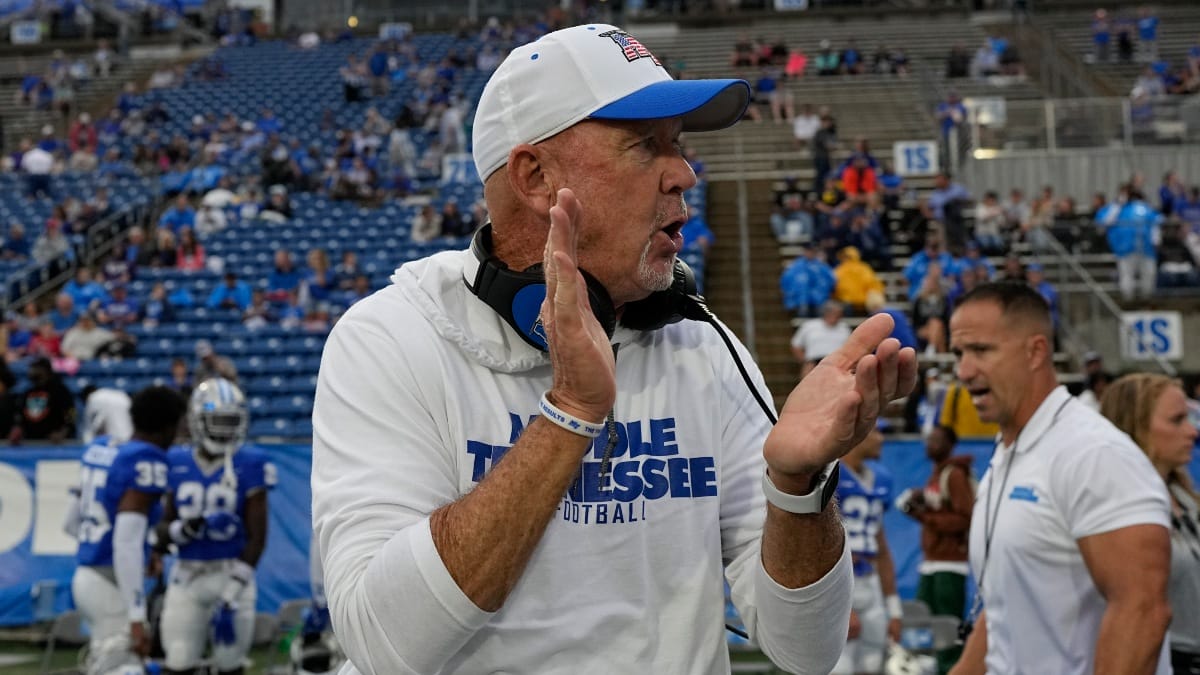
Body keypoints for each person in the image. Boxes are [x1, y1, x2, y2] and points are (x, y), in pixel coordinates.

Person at [311, 24, 917, 675]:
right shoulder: (392, 338)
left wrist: (799, 489)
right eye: (643, 145)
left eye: (678, 144)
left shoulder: (701, 344)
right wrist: (570, 411)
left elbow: (807, 650)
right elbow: (382, 642)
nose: (684, 171)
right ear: (535, 175)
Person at [948, 282, 1172, 675]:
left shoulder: (1094, 455)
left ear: (1036, 351)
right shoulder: (1010, 454)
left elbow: (1142, 611)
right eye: (958, 353)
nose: (964, 371)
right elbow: (1006, 611)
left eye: (981, 350)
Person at [156, 378, 275, 675]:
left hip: (232, 574)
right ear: (198, 420)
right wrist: (184, 530)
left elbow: (257, 537)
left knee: (229, 665)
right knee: (179, 660)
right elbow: (160, 531)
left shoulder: (251, 463)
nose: (225, 429)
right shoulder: (175, 461)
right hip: (187, 574)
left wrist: (233, 589)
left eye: (230, 421)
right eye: (217, 420)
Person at [68, 387, 187, 675]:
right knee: (125, 669)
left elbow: (70, 523)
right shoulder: (145, 458)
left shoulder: (101, 449)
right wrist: (136, 614)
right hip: (109, 585)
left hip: (87, 577)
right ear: (169, 425)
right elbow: (126, 543)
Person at [1099, 374, 1200, 675]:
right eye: (1177, 420)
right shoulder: (1114, 509)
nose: (1192, 432)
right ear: (1136, 426)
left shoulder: (1186, 500)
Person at [896, 425, 974, 674]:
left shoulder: (954, 475)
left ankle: (952, 669)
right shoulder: (936, 474)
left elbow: (966, 518)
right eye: (929, 439)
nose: (930, 444)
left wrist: (925, 517)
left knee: (946, 629)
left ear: (950, 445)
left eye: (937, 440)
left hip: (950, 563)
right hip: (931, 562)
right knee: (923, 625)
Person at [832, 428, 903, 675]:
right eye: (875, 431)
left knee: (873, 664)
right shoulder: (830, 475)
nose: (881, 438)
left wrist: (895, 609)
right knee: (840, 667)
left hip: (870, 580)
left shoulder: (881, 478)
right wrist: (837, 603)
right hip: (840, 582)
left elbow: (881, 549)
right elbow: (813, 548)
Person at [790, 300, 852, 381]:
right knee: (808, 369)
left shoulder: (845, 328)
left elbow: (850, 347)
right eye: (833, 313)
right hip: (814, 362)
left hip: (837, 363)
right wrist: (804, 361)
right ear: (826, 313)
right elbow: (796, 345)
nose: (836, 316)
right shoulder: (809, 325)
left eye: (839, 314)